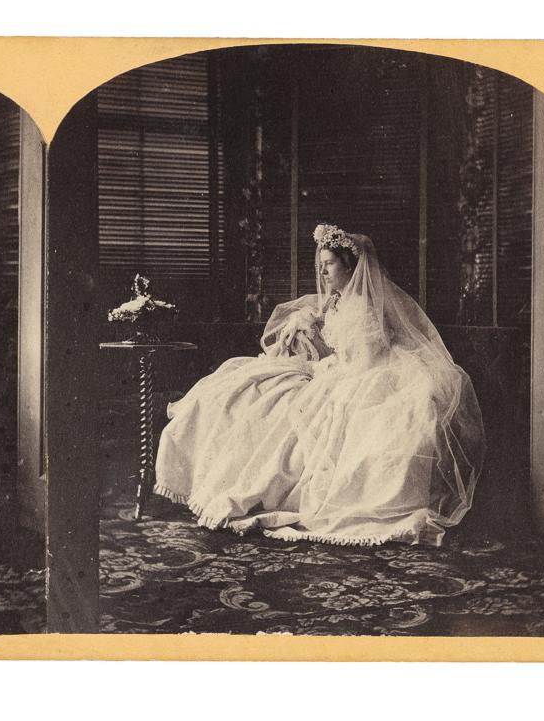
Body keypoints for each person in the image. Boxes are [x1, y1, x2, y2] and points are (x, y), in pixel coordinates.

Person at [154, 223, 484, 546]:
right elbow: (335, 344)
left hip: (368, 375)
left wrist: (326, 369)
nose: (323, 273)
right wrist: (309, 334)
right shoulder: (336, 302)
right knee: (249, 385)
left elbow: (364, 362)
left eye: (329, 265)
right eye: (321, 265)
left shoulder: (366, 308)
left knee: (304, 416)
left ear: (349, 266)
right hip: (340, 369)